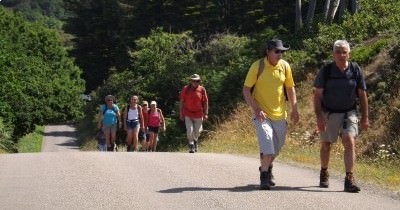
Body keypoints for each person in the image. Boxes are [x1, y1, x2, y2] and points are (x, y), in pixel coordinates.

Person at [243, 39, 299, 190]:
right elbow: (246, 90)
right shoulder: (258, 66)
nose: (280, 54)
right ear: (268, 51)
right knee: (268, 143)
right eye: (277, 51)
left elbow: (290, 89)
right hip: (262, 114)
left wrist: (295, 108)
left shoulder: (285, 67)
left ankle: (265, 167)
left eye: (282, 51)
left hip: (280, 115)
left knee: (277, 147)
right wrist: (256, 109)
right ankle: (264, 177)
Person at [313, 40, 369, 193]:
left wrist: (365, 117)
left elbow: (362, 95)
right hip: (329, 112)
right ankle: (324, 171)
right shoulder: (326, 70)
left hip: (349, 112)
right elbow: (317, 95)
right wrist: (319, 116)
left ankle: (349, 179)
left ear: (349, 54)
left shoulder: (355, 70)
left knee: (349, 141)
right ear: (333, 54)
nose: (341, 54)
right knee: (326, 145)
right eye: (338, 51)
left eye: (344, 52)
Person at [179, 74, 209, 153]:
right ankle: (191, 145)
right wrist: (181, 113)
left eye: (197, 81)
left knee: (198, 131)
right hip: (188, 113)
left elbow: (205, 102)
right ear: (191, 81)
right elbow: (182, 102)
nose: (195, 82)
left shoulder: (202, 89)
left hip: (198, 113)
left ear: (200, 81)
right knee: (190, 130)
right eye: (193, 81)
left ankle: (195, 140)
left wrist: (206, 113)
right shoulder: (186, 89)